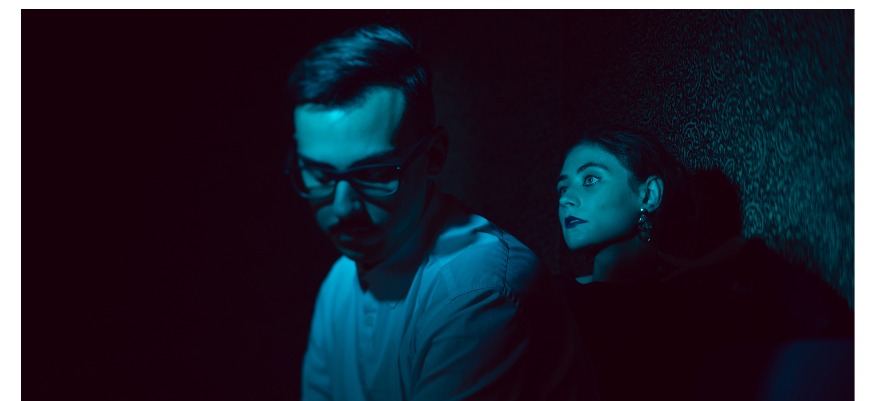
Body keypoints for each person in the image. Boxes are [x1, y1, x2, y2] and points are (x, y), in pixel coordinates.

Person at [287, 24, 591, 401]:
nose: (342, 206)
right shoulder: (338, 282)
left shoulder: (478, 290)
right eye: (319, 174)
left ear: (434, 154)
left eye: (375, 173)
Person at [555, 127, 853, 401]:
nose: (566, 199)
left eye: (590, 179)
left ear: (649, 194)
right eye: (562, 189)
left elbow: (832, 333)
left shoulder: (691, 304)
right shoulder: (551, 297)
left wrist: (741, 252)